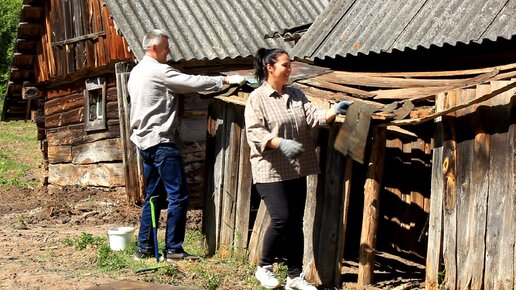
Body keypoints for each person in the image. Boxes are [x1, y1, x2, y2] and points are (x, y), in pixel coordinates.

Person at [128, 29, 245, 261]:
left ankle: (145, 248)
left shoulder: (136, 71)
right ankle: (174, 249)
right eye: (166, 46)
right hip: (161, 142)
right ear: (154, 48)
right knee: (179, 195)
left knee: (153, 197)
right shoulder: (159, 71)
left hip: (144, 142)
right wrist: (223, 80)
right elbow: (190, 82)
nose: (169, 50)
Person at [244, 48, 351, 290]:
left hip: (296, 168)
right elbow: (255, 132)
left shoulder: (296, 94)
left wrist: (335, 110)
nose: (289, 69)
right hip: (269, 171)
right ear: (270, 68)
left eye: (290, 65)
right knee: (281, 218)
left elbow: (314, 117)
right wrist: (279, 142)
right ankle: (264, 267)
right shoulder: (257, 98)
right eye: (285, 65)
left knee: (295, 223)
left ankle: (294, 276)